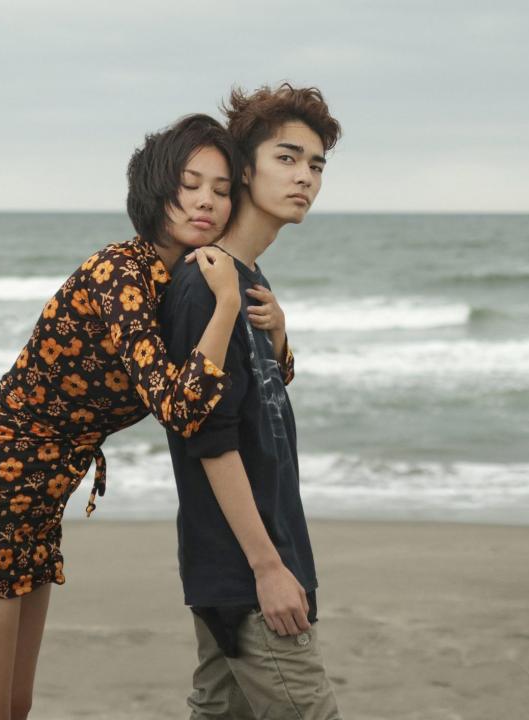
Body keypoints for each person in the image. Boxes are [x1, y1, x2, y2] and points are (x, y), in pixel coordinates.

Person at [0, 114, 244, 720]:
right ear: (156, 188)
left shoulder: (177, 282)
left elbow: (231, 386)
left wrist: (276, 337)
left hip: (37, 505)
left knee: (14, 707)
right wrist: (229, 301)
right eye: (191, 183)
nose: (206, 201)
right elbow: (182, 407)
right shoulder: (123, 273)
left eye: (222, 190)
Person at [159, 84, 343, 719]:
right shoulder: (206, 284)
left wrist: (281, 335)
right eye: (287, 159)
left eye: (316, 164)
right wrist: (267, 568)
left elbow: (261, 402)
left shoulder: (246, 281)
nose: (306, 178)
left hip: (248, 560)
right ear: (244, 170)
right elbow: (208, 436)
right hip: (248, 571)